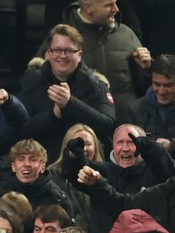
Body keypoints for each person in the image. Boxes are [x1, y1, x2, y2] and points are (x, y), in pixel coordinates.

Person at [17, 24, 116, 156]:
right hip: (42, 165)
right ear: (49, 53)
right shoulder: (32, 83)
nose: (62, 56)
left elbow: (108, 126)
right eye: (57, 50)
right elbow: (19, 129)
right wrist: (53, 116)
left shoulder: (96, 85)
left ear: (79, 54)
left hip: (86, 165)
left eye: (69, 51)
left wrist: (70, 103)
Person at [63, 0, 149, 121]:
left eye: (115, 3)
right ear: (88, 7)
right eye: (109, 5)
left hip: (125, 126)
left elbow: (144, 87)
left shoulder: (126, 34)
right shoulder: (63, 37)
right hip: (83, 127)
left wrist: (145, 69)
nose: (116, 9)